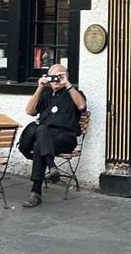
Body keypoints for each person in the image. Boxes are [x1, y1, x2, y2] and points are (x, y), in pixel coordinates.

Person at [19, 64, 87, 208]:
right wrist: (40, 87)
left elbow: (81, 106)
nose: (56, 80)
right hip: (45, 138)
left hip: (65, 138)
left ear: (66, 76)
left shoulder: (74, 93)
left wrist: (67, 84)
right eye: (53, 77)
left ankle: (36, 193)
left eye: (59, 76)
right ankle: (51, 168)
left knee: (40, 140)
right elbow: (30, 111)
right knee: (40, 141)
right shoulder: (46, 95)